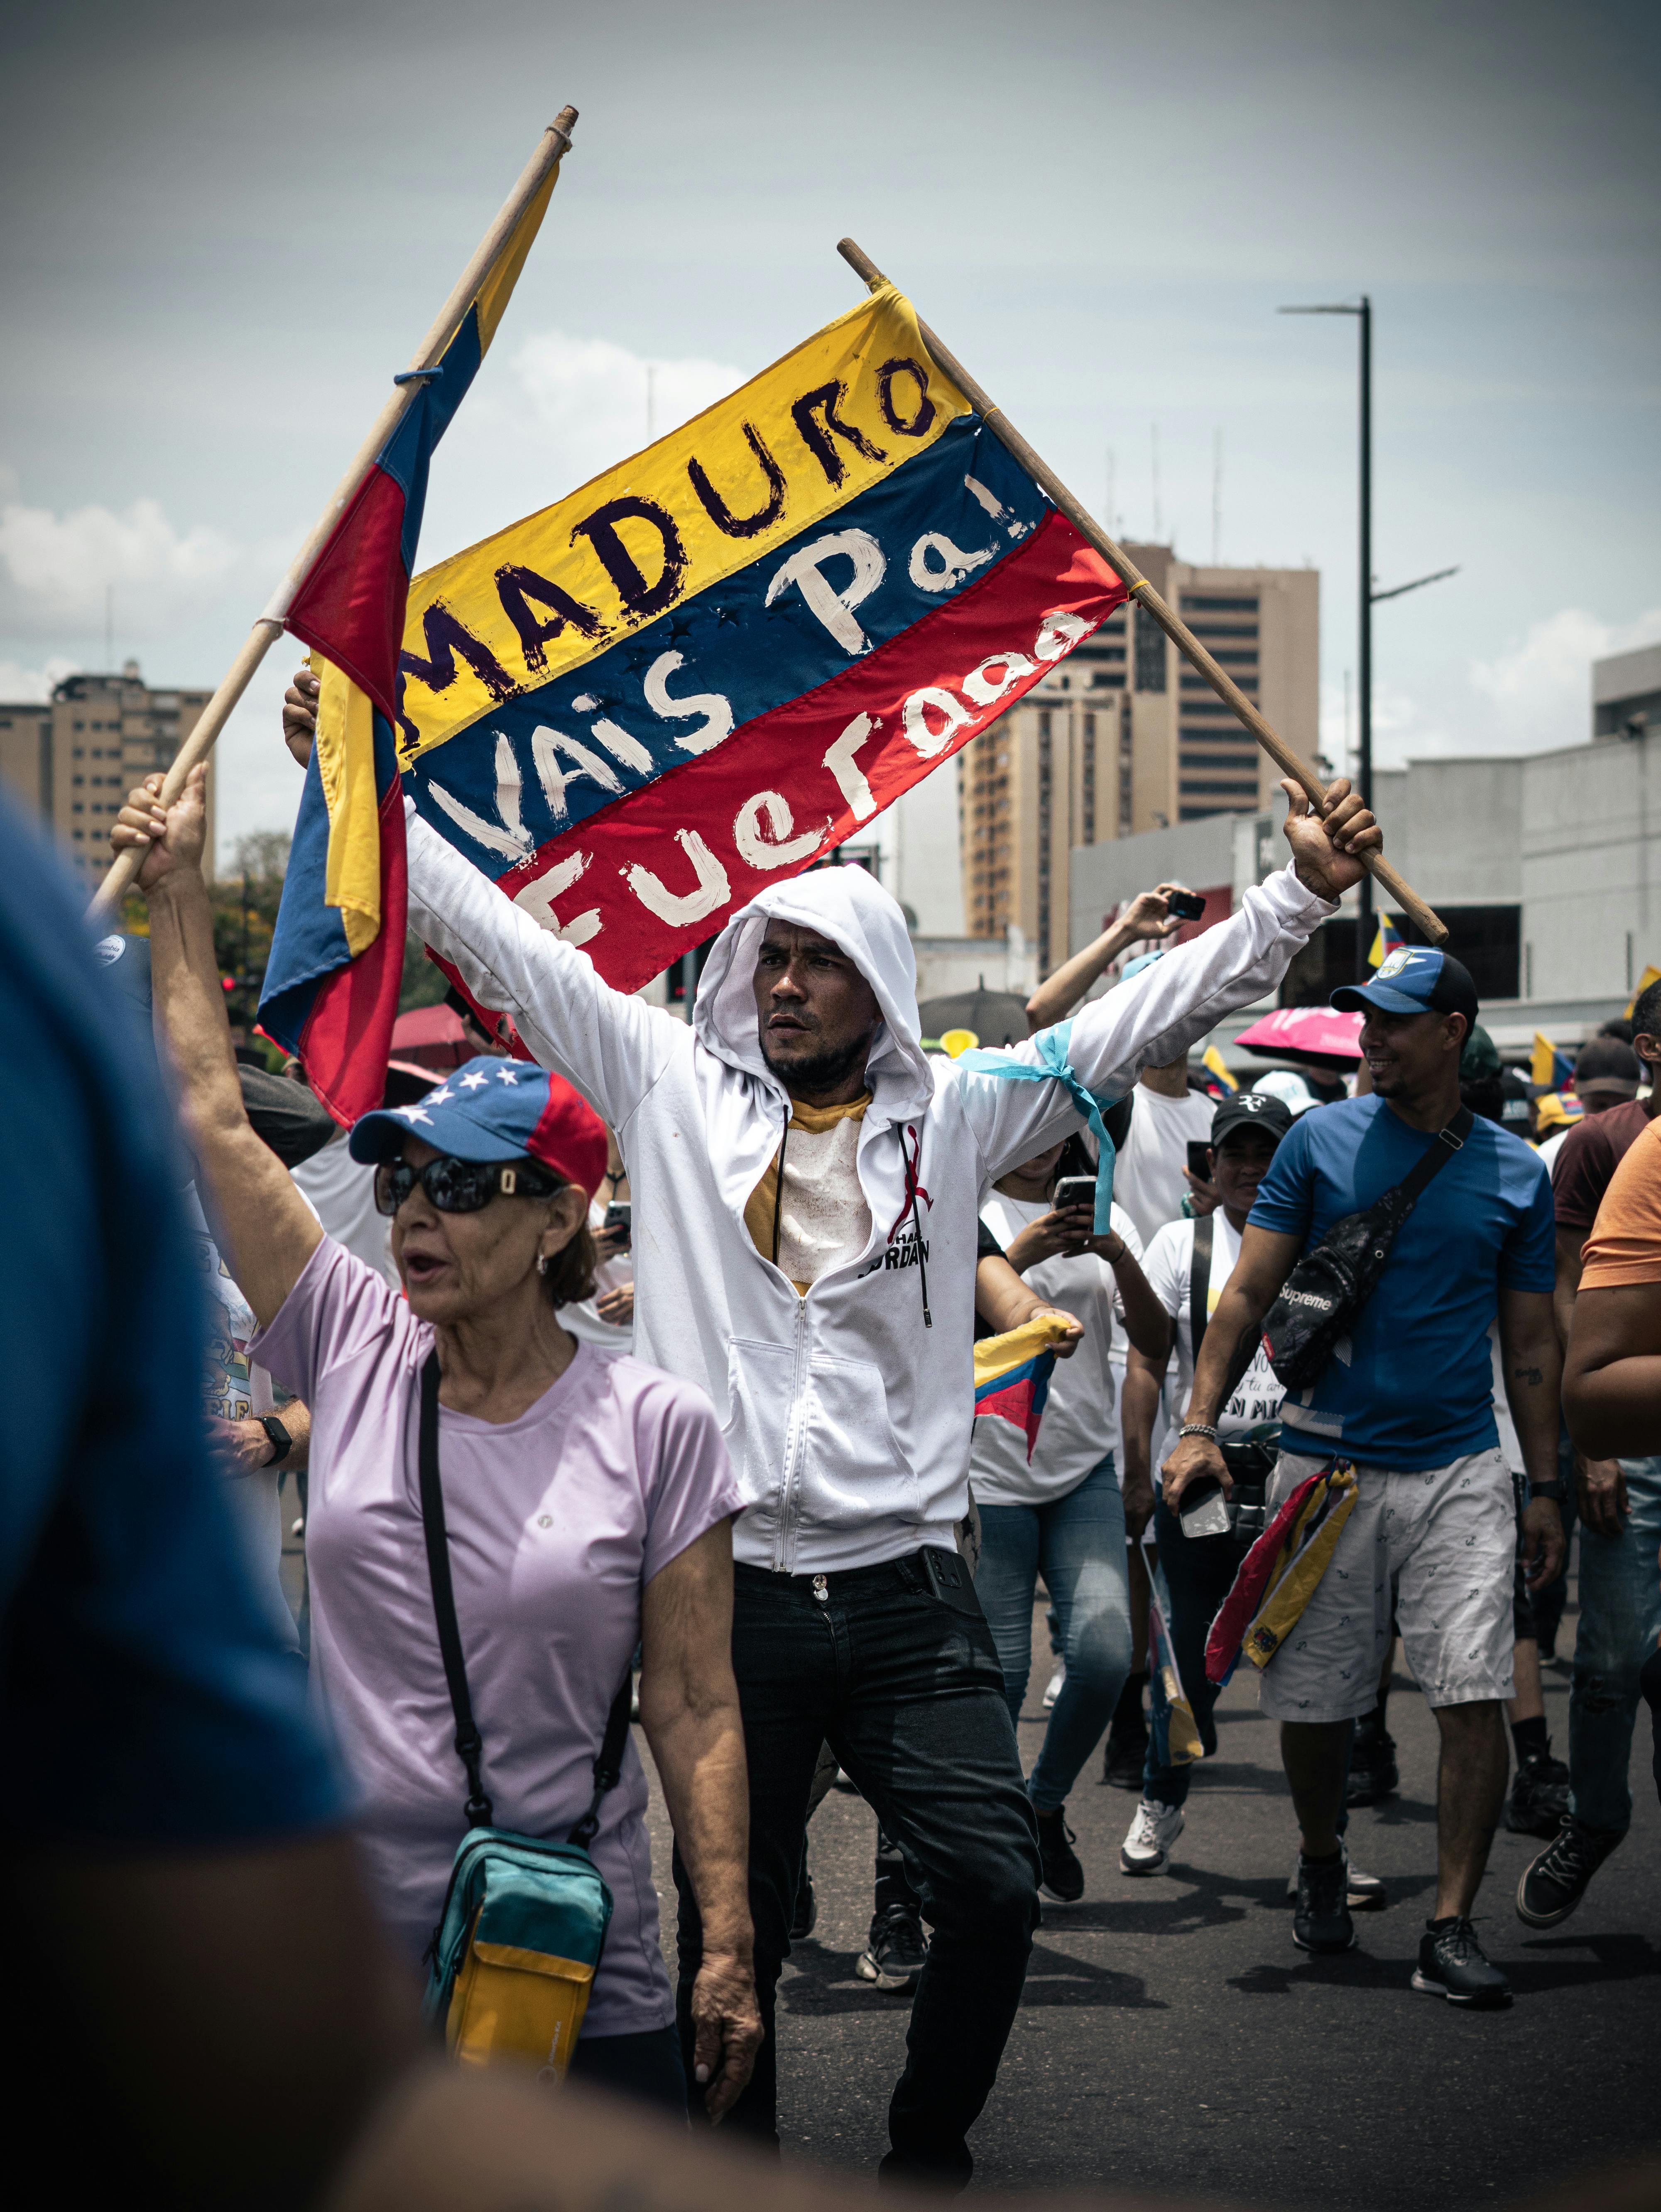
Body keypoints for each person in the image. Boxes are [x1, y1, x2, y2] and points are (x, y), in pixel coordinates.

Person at [301, 613, 1376, 2183]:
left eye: (818, 961)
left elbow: (1135, 1020)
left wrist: (1294, 895)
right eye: (770, 957)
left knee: (992, 1885)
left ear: (878, 983)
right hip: (719, 1591)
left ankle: (926, 2146)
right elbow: (507, 947)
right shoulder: (668, 1083)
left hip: (906, 1587)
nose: (785, 983)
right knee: (733, 1920)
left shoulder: (964, 1114)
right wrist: (367, 793)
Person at [115, 765, 762, 2118]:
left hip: (567, 1967)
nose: (416, 1211)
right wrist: (177, 892)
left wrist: (731, 1943)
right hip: (340, 1961)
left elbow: (696, 1703)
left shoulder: (658, 1426)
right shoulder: (349, 1336)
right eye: (404, 1176)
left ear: (559, 1220)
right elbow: (212, 1115)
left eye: (463, 1184)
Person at [1162, 945, 1565, 2010]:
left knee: (1472, 1691)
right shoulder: (1317, 1142)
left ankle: (1448, 1924)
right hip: (1323, 1467)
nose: (1369, 1037)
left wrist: (1545, 1486)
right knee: (1314, 1701)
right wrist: (1196, 1425)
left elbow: (1532, 1344)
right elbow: (1244, 1296)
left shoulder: (1513, 1172)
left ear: (1450, 1032)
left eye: (1392, 1019)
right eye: (1363, 1019)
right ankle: (1318, 1855)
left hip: (1459, 1469)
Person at [973, 1132, 1167, 1899]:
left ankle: (1043, 1806)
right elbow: (935, 1320)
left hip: (1083, 1471)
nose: (1043, 1145)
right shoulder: (968, 1205)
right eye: (1031, 1127)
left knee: (1107, 1652)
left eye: (1059, 1130)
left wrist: (1117, 1255)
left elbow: (1154, 1341)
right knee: (1002, 1676)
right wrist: (1019, 1254)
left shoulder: (1107, 1217)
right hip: (987, 1473)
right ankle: (990, 1843)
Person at [1119, 1091, 1297, 1874]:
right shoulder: (1178, 1244)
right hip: (1202, 1486)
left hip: (1301, 1485)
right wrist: (1137, 1468)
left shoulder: (1318, 1239)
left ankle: (1322, 1847)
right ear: (1212, 1164)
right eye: (1236, 1154)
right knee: (1189, 1660)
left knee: (1316, 1668)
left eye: (1266, 1153)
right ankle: (1160, 1799)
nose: (1251, 1169)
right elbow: (1146, 1362)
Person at [1526, 1105, 1661, 1918]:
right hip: (1638, 1444)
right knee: (1612, 1659)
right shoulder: (1608, 1145)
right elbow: (1567, 1294)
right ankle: (1595, 1817)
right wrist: (1594, 1450)